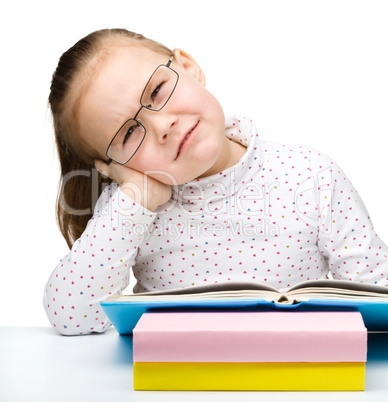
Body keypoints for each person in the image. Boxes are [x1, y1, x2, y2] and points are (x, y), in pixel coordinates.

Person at [43, 28, 388, 335]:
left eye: (158, 90)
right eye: (130, 132)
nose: (163, 126)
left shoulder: (310, 174)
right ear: (110, 166)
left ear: (189, 67)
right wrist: (135, 198)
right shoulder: (131, 208)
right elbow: (72, 317)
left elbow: (377, 298)